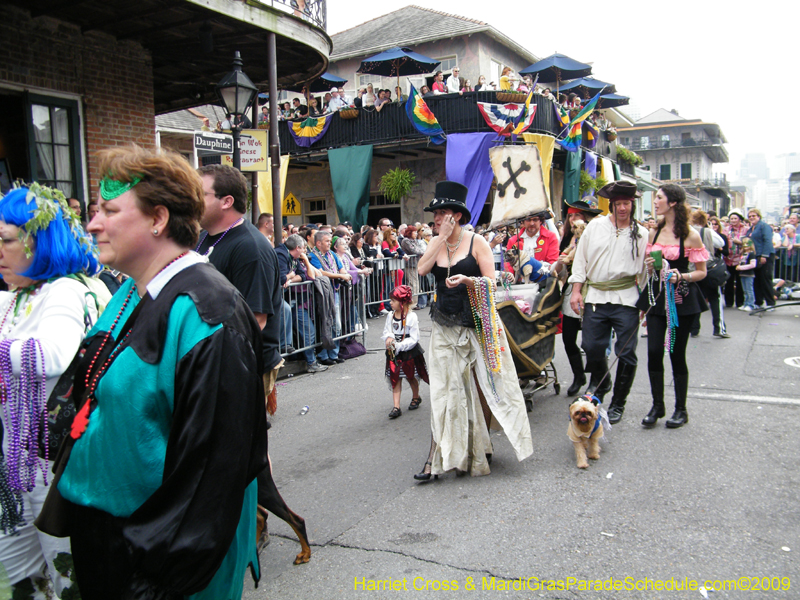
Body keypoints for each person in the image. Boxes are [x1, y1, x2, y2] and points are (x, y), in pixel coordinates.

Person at [47, 146, 268, 599]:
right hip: (109, 542)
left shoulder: (209, 312)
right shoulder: (129, 294)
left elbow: (210, 477)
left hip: (157, 562)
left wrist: (154, 581)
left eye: (109, 210)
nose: (93, 224)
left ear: (158, 219)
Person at [0, 183, 101, 597]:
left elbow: (52, 354)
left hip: (56, 466)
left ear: (39, 243)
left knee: (69, 579)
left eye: (6, 240)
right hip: (17, 463)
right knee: (22, 577)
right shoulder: (18, 296)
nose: (0, 251)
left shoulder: (68, 290)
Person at [413, 181, 533, 479]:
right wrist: (439, 239)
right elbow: (421, 270)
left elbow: (492, 283)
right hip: (443, 326)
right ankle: (433, 459)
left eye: (442, 213)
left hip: (476, 325)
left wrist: (469, 281)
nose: (437, 218)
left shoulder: (476, 242)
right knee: (443, 392)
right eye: (435, 213)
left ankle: (477, 446)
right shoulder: (436, 240)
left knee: (481, 388)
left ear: (457, 215)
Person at [569, 181, 648, 424]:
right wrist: (576, 290)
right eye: (618, 203)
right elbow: (580, 259)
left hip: (626, 298)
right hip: (596, 296)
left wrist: (644, 301)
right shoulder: (595, 227)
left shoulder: (641, 233)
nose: (623, 208)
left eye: (627, 203)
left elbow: (645, 270)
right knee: (591, 345)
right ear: (611, 204)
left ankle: (618, 402)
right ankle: (602, 380)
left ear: (632, 205)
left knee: (626, 353)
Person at [636, 184, 708, 429]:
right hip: (657, 298)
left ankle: (681, 409)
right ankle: (657, 406)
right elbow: (650, 268)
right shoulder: (653, 232)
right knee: (654, 351)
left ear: (673, 202)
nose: (655, 201)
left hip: (681, 301)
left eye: (658, 198)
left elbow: (701, 272)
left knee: (677, 354)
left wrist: (681, 276)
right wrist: (650, 266)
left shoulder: (690, 234)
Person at [552, 197, 602, 396]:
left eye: (577, 215)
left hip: (592, 289)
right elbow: (561, 268)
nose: (573, 220)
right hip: (572, 288)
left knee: (592, 341)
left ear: (586, 217)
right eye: (570, 216)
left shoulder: (594, 234)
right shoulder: (568, 237)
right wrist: (561, 263)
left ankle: (597, 380)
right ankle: (578, 375)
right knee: (568, 338)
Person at [276, 234, 327, 373]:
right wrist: (291, 275)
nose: (305, 251)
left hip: (299, 300)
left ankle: (311, 361)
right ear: (297, 247)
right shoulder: (281, 255)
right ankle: (310, 362)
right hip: (292, 300)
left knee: (308, 331)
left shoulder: (296, 258)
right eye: (304, 248)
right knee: (308, 332)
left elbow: (305, 275)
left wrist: (291, 278)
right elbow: (281, 278)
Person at [382, 285, 429, 419]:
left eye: (393, 300)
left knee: (410, 376)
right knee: (395, 378)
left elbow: (414, 338)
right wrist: (389, 338)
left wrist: (400, 346)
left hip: (408, 351)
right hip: (393, 352)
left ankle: (416, 396)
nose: (390, 302)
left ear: (402, 302)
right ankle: (396, 406)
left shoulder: (411, 317)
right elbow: (387, 330)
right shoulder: (390, 316)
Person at [308, 230, 350, 364]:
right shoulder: (312, 256)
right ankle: (323, 354)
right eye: (327, 241)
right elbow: (320, 272)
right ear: (318, 243)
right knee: (324, 322)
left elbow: (340, 266)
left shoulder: (332, 254)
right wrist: (340, 275)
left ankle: (334, 353)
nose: (329, 243)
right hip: (321, 294)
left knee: (335, 324)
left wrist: (343, 273)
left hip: (334, 292)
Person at [505, 210, 560, 279]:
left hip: (543, 280)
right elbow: (508, 264)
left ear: (540, 221)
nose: (532, 223)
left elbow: (552, 262)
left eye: (535, 220)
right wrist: (510, 277)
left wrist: (539, 277)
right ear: (523, 221)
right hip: (519, 284)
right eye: (528, 220)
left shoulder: (550, 237)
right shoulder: (513, 240)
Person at [746, 208, 775, 309]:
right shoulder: (751, 228)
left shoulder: (764, 226)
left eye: (754, 216)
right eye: (750, 216)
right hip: (755, 255)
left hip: (764, 255)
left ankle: (770, 303)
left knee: (765, 279)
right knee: (757, 280)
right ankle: (758, 302)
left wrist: (764, 255)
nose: (751, 218)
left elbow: (767, 241)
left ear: (759, 216)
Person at [724, 209, 748, 308]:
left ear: (739, 219)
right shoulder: (726, 229)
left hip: (740, 259)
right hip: (728, 258)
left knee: (740, 282)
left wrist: (740, 242)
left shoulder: (745, 229)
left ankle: (740, 302)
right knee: (728, 281)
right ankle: (729, 302)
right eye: (731, 218)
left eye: (735, 218)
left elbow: (750, 243)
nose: (733, 220)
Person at [736, 237, 758, 311]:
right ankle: (746, 303)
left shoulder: (752, 254)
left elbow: (753, 265)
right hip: (743, 274)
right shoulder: (744, 254)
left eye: (747, 244)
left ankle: (750, 304)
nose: (745, 246)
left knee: (749, 290)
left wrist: (741, 267)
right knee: (745, 290)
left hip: (749, 274)